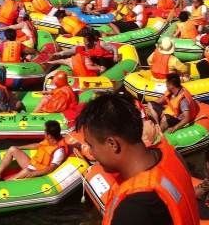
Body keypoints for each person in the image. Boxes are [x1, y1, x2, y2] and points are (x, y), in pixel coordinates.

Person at [76, 92, 199, 225]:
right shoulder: (171, 154)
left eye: (91, 145)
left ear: (113, 144)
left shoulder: (132, 210)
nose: (91, 153)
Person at [0, 120, 68, 181]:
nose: (44, 132)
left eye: (45, 131)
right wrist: (19, 147)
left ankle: (5, 183)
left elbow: (52, 168)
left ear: (49, 135)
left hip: (40, 171)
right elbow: (37, 145)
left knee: (26, 171)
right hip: (34, 164)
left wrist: (34, 173)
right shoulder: (49, 140)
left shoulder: (59, 151)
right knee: (12, 149)